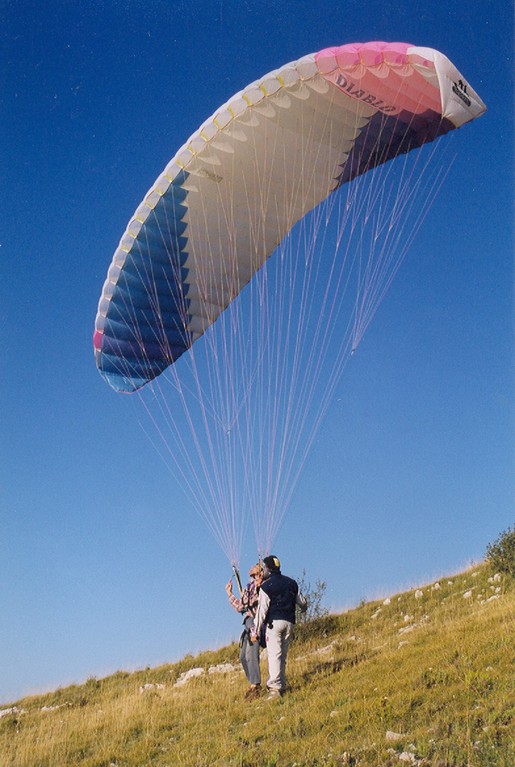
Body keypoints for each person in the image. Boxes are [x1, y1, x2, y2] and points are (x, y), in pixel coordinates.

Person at [252, 555, 307, 700]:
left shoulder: (266, 586)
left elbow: (261, 611)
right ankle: (281, 684)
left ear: (268, 569)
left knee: (274, 655)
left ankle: (275, 689)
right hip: (289, 623)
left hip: (274, 623)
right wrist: (304, 608)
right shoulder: (292, 583)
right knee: (283, 655)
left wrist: (255, 631)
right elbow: (302, 602)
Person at [225, 563, 264, 700]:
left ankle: (256, 685)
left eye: (256, 566)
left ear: (261, 571)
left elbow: (260, 602)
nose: (252, 566)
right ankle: (253, 682)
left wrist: (260, 586)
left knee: (251, 656)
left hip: (255, 623)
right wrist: (230, 594)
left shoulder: (262, 585)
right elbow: (241, 607)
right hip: (247, 624)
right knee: (243, 657)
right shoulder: (248, 587)